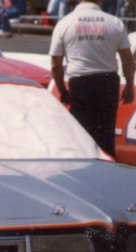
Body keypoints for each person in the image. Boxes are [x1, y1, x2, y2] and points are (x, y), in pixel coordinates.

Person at [49, 0, 135, 157]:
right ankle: (105, 174)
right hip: (108, 83)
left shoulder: (65, 23)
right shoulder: (115, 22)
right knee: (105, 137)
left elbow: (55, 64)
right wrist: (129, 86)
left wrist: (62, 90)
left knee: (81, 137)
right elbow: (127, 59)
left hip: (80, 83)